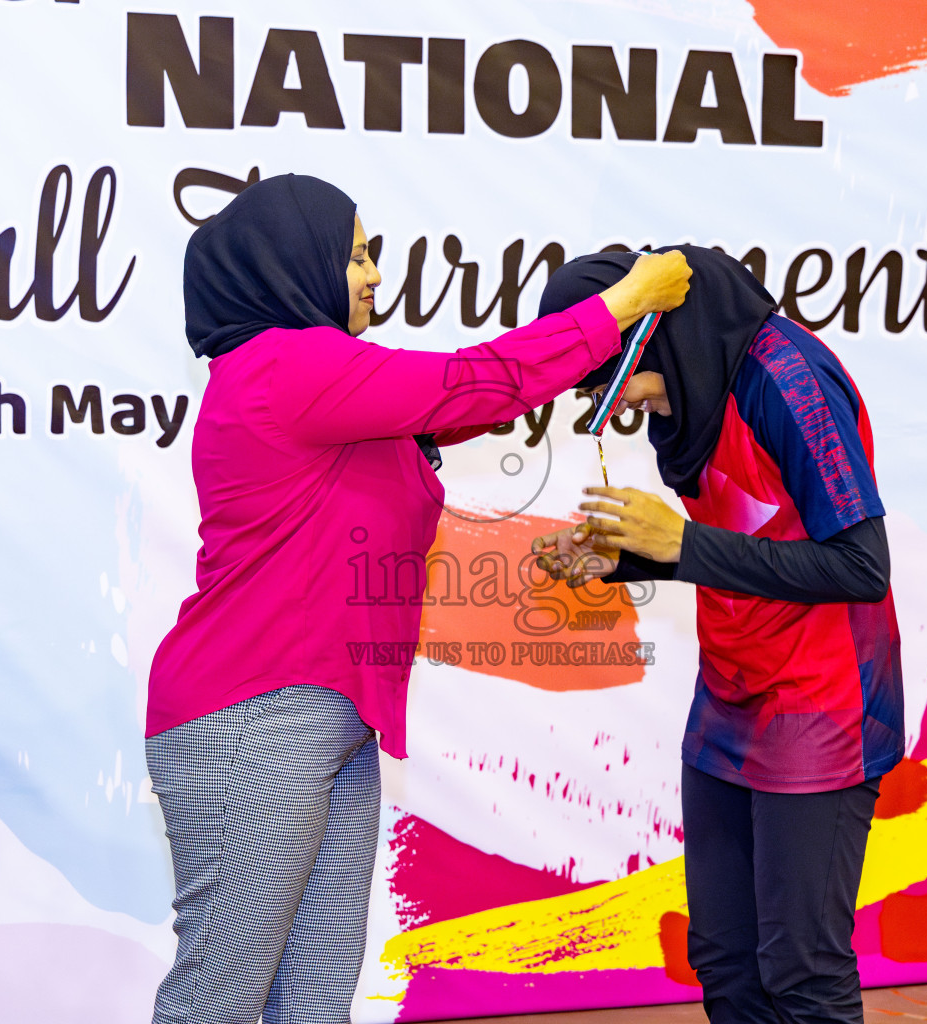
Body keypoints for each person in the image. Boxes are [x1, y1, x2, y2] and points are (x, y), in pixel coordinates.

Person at [142, 173, 691, 1024]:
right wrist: (621, 304)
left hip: (327, 719)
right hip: (254, 717)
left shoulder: (329, 395)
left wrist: (589, 332)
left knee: (316, 995)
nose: (371, 275)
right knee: (217, 1001)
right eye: (355, 254)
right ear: (295, 262)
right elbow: (475, 384)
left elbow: (469, 403)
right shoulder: (287, 365)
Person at [531, 246, 902, 1024]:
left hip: (822, 700)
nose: (616, 403)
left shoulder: (785, 380)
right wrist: (625, 555)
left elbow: (861, 567)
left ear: (649, 333)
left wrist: (681, 545)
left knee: (801, 972)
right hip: (733, 690)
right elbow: (747, 540)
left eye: (610, 380)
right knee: (725, 959)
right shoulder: (697, 389)